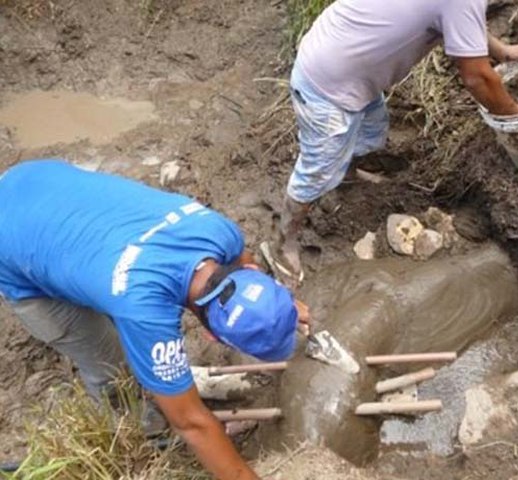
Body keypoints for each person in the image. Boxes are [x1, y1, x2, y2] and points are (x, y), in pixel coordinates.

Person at [0, 159, 309, 480]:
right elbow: (190, 423)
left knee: (114, 303)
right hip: (11, 241)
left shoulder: (219, 230)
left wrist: (281, 306)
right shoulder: (145, 310)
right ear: (212, 336)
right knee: (112, 369)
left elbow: (245, 264)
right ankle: (141, 428)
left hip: (36, 178)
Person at [263, 0, 518, 285]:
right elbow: (477, 77)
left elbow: (462, 22)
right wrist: (512, 114)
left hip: (345, 59)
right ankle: (284, 244)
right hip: (327, 87)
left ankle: (345, 175)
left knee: (370, 133)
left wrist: (502, 51)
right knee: (317, 172)